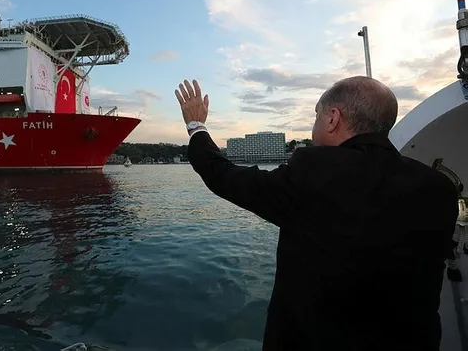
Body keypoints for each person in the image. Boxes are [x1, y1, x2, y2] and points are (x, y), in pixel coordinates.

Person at [174, 77, 459, 351]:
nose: (315, 124)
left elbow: (225, 176)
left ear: (333, 118)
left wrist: (196, 127)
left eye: (317, 115)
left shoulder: (314, 172)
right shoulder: (439, 188)